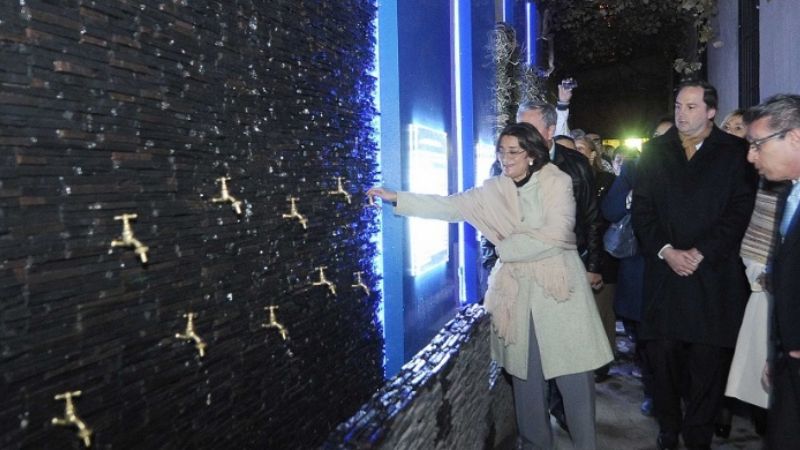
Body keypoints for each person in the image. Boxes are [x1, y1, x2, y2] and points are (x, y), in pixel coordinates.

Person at [369, 122, 613, 450]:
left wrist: (506, 248)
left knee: (574, 382)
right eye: (501, 151)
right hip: (516, 299)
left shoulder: (557, 181)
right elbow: (450, 205)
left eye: (514, 151)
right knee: (526, 385)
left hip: (560, 294)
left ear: (532, 154)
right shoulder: (492, 191)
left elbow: (556, 235)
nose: (505, 158)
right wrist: (396, 197)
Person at [631, 80, 757, 450]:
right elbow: (642, 211)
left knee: (707, 365)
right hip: (666, 276)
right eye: (678, 107)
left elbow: (740, 212)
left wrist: (702, 252)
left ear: (711, 111)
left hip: (712, 276)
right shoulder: (655, 151)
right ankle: (669, 431)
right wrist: (667, 250)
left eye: (690, 107)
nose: (681, 115)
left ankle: (698, 436)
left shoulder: (735, 152)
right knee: (663, 362)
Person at [743, 94, 800, 449]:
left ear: (795, 137)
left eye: (757, 145)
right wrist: (779, 353)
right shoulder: (788, 194)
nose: (751, 156)